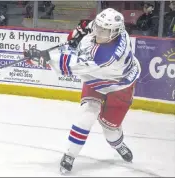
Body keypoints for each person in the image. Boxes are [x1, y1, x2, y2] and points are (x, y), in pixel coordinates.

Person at [24, 8, 141, 174]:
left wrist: (44, 58)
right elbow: (90, 28)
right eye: (98, 28)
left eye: (104, 31)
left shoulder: (107, 56)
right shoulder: (111, 31)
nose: (98, 32)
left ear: (114, 33)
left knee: (110, 129)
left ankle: (118, 144)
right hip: (96, 79)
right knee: (87, 115)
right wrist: (80, 31)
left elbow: (74, 64)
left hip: (120, 86)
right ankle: (70, 154)